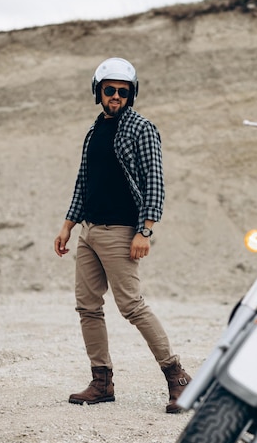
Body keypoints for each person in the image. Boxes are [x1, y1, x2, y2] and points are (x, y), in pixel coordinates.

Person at [54, 57, 191, 413]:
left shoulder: (142, 128)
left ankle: (178, 378)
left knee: (131, 305)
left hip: (121, 232)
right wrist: (69, 225)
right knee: (88, 306)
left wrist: (145, 229)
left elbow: (155, 182)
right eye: (109, 90)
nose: (115, 96)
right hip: (89, 232)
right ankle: (102, 382)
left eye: (123, 92)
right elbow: (83, 184)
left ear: (131, 95)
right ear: (98, 91)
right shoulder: (94, 131)